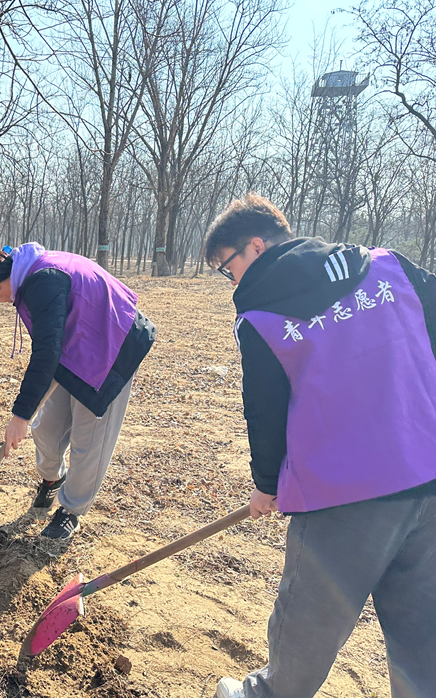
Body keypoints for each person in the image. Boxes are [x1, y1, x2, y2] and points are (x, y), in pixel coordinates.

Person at [204, 194, 436, 698]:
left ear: (257, 246)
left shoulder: (263, 312)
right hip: (428, 473)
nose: (233, 283)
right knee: (424, 635)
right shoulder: (389, 268)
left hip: (343, 492)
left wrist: (266, 485)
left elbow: (263, 411)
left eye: (228, 269)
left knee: (310, 615)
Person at [0, 244, 155, 538]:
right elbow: (52, 345)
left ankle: (71, 511)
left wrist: (20, 415)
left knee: (88, 441)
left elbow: (46, 353)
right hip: (77, 349)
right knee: (47, 428)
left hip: (113, 348)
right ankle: (53, 479)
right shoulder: (28, 274)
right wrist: (26, 415)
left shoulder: (42, 280)